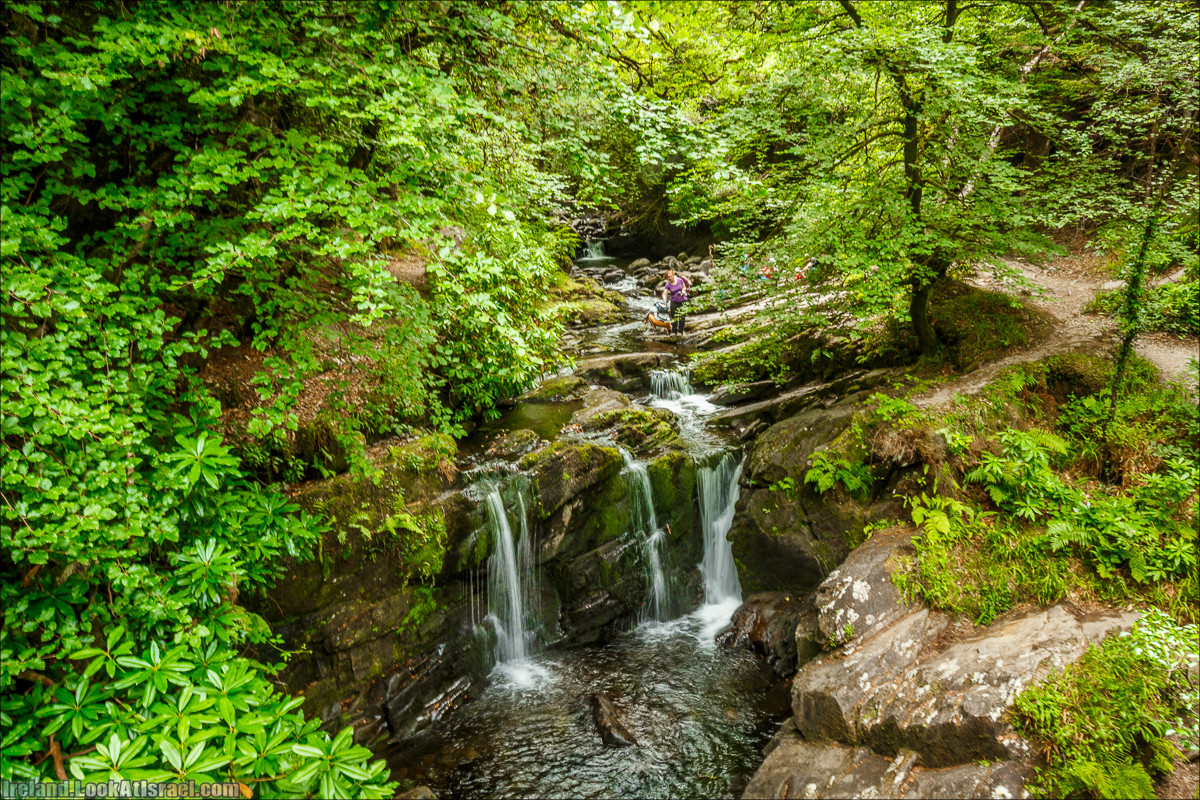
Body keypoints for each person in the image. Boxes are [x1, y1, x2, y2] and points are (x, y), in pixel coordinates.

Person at [661, 269, 692, 334]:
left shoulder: (680, 280)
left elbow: (684, 287)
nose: (670, 278)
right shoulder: (667, 284)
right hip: (674, 302)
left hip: (682, 300)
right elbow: (664, 293)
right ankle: (674, 331)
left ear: (673, 275)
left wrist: (683, 291)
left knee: (682, 317)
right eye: (668, 277)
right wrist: (665, 301)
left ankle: (680, 331)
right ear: (666, 278)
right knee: (674, 316)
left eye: (671, 276)